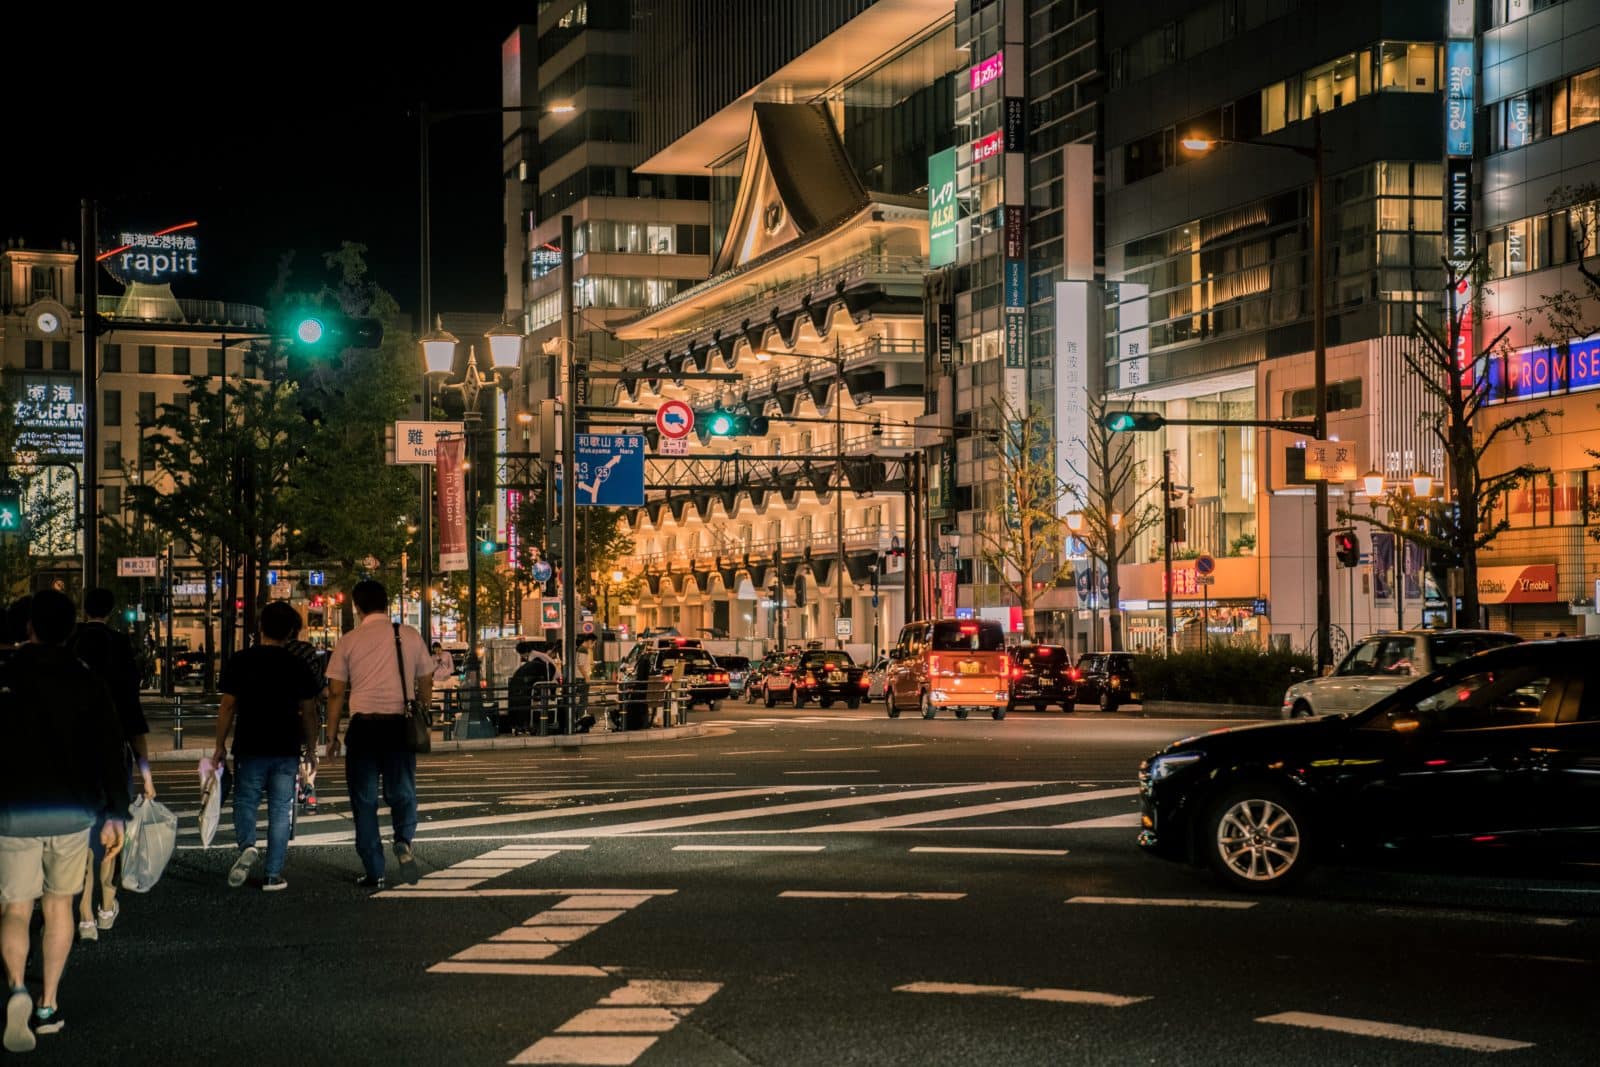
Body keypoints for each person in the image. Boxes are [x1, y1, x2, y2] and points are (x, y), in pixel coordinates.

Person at [1, 590, 129, 1051]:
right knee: (59, 908)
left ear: (29, 627)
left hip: (15, 810)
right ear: (69, 631)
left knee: (16, 908)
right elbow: (110, 750)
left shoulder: (5, 674)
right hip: (73, 812)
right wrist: (116, 812)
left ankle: (16, 984)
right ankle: (48, 1004)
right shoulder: (86, 678)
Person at [321, 581, 432, 890]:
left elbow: (335, 693)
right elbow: (425, 677)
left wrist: (331, 737)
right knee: (402, 790)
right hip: (399, 726)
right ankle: (403, 840)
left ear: (357, 607)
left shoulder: (349, 641)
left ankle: (375, 870)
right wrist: (423, 706)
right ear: (387, 603)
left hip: (363, 728)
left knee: (364, 799)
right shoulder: (408, 635)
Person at [212, 603, 322, 892]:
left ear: (261, 627)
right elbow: (309, 711)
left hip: (250, 743)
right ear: (290, 632)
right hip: (286, 746)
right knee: (280, 809)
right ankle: (273, 875)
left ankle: (248, 845)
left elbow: (227, 706)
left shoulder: (241, 660)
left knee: (245, 800)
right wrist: (311, 749)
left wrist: (219, 745)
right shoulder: (296, 664)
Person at [66, 588, 152, 943]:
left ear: (84, 609)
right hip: (113, 751)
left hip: (73, 754)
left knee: (83, 837)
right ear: (112, 610)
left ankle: (84, 913)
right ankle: (106, 904)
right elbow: (133, 716)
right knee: (111, 829)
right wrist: (147, 775)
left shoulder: (70, 644)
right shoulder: (120, 645)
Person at [283, 609, 328, 811]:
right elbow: (319, 684)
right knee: (310, 749)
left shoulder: (269, 652)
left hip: (278, 715)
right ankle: (309, 784)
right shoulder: (307, 652)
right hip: (305, 710)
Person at [505, 642, 559, 734]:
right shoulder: (536, 655)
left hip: (551, 679)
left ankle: (525, 724)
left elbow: (537, 674)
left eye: (521, 654)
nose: (521, 656)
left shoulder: (534, 658)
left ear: (524, 652)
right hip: (551, 678)